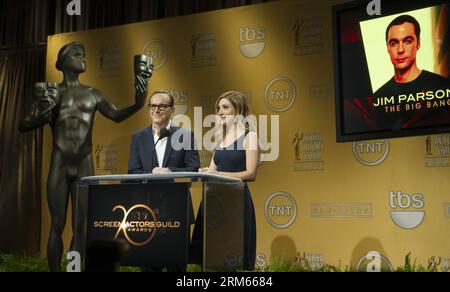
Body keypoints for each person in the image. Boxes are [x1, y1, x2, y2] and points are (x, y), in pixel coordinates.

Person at [18, 41, 152, 272]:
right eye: (77, 54)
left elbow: (117, 116)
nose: (83, 58)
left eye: (84, 54)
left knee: (80, 227)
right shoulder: (51, 92)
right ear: (63, 62)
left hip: (84, 165)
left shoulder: (94, 94)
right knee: (57, 225)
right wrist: (42, 112)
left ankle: (75, 271)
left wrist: (139, 103)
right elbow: (24, 125)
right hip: (59, 166)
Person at [127, 90, 200, 271]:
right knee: (148, 267)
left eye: (162, 106)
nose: (156, 110)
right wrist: (150, 173)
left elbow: (194, 168)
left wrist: (169, 171)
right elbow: (132, 171)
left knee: (177, 268)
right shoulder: (139, 137)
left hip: (176, 210)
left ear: (172, 110)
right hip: (146, 211)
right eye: (152, 105)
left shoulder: (185, 135)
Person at [192, 91, 260, 271]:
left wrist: (220, 175)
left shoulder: (250, 137)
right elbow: (214, 170)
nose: (220, 112)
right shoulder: (220, 138)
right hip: (214, 201)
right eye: (218, 108)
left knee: (232, 258)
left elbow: (251, 173)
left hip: (235, 202)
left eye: (225, 107)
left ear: (238, 110)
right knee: (211, 258)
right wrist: (205, 171)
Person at [372, 15, 450, 129]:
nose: (400, 50)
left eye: (407, 41)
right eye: (393, 43)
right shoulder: (377, 100)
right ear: (387, 47)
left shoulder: (443, 86)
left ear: (418, 43)